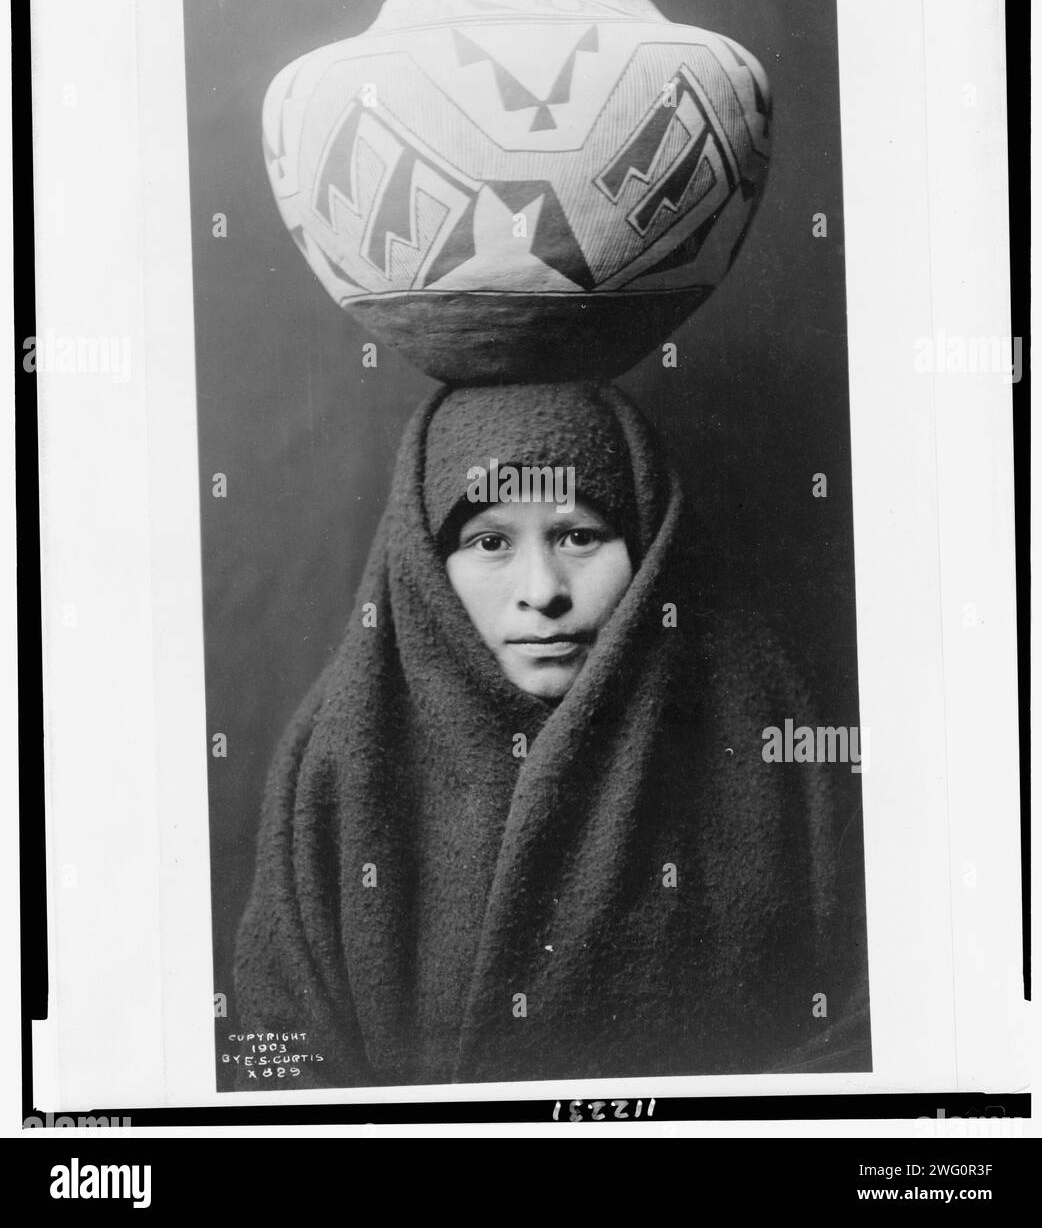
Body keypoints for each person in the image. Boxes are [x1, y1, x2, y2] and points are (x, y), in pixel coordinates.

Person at [233, 382, 870, 1087]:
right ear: (423, 566)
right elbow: (283, 1060)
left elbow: (864, 1034)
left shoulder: (769, 736)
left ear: (651, 544)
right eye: (490, 542)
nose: (543, 591)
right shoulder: (337, 758)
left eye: (579, 536)